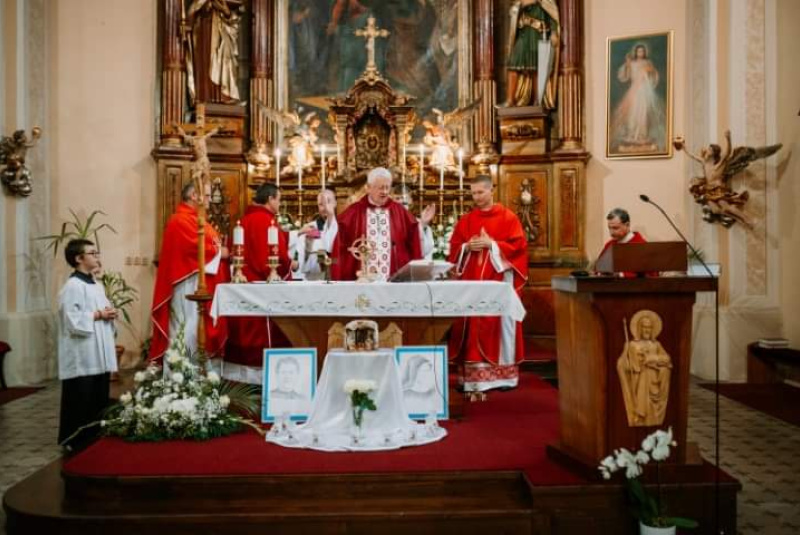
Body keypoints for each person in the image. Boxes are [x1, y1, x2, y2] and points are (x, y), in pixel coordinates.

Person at [447, 175, 528, 393]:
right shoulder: (467, 220)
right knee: (471, 325)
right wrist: (466, 247)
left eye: (480, 192)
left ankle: (502, 378)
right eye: (473, 193)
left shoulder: (508, 217)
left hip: (497, 281)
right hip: (472, 283)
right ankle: (473, 381)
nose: (476, 197)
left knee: (497, 325)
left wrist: (492, 245)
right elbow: (454, 247)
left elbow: (519, 247)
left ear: (491, 190)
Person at [150, 182, 229, 362]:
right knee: (186, 328)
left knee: (195, 328)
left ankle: (196, 376)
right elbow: (195, 247)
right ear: (194, 196)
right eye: (207, 196)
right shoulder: (180, 220)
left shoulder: (197, 219)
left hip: (199, 282)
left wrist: (218, 248)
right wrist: (220, 251)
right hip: (187, 284)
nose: (210, 200)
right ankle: (181, 377)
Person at [224, 183, 293, 383]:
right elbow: (277, 258)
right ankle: (266, 378)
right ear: (270, 199)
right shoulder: (268, 223)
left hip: (243, 286)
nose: (279, 204)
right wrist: (291, 264)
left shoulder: (243, 221)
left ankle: (239, 381)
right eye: (278, 199)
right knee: (266, 336)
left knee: (243, 333)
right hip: (264, 290)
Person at [57, 239, 117, 452]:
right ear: (78, 259)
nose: (97, 256)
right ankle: (73, 439)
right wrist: (100, 314)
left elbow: (100, 310)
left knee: (97, 395)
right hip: (82, 352)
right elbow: (72, 320)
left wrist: (109, 314)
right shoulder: (73, 286)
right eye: (92, 253)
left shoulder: (95, 284)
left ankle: (93, 437)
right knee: (80, 396)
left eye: (96, 252)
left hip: (97, 351)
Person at [332, 167, 423, 281]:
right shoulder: (354, 212)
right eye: (380, 188)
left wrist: (423, 224)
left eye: (387, 187)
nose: (384, 192)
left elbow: (414, 241)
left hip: (395, 278)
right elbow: (340, 246)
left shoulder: (399, 211)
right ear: (368, 188)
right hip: (362, 279)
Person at [617, 311, 672, 426]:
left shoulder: (656, 344)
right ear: (639, 328)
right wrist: (625, 354)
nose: (647, 330)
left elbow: (666, 358)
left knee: (652, 407)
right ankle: (639, 415)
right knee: (644, 377)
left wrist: (652, 358)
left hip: (655, 380)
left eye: (650, 327)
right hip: (640, 381)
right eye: (644, 327)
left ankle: (651, 421)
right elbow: (624, 365)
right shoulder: (633, 345)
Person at [503, 0, 560, 108]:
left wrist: (553, 32)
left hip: (538, 35)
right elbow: (513, 11)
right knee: (513, 65)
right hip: (523, 35)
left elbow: (553, 14)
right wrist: (522, 4)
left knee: (537, 69)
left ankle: (537, 101)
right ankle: (510, 100)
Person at [610, 43, 665, 152]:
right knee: (632, 112)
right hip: (634, 90)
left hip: (644, 91)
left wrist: (650, 72)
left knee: (643, 112)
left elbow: (654, 76)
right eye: (639, 51)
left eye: (642, 51)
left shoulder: (647, 63)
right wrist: (627, 64)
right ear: (635, 52)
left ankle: (641, 135)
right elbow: (625, 76)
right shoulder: (632, 63)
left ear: (645, 53)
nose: (640, 53)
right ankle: (632, 134)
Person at [298, 189, 339, 280]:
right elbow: (300, 263)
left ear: (335, 203)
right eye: (321, 204)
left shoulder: (344, 226)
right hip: (314, 281)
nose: (325, 207)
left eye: (328, 202)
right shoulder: (309, 228)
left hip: (339, 280)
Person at [597, 208, 647, 278]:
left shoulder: (640, 245)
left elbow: (646, 274)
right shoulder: (609, 245)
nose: (611, 232)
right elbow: (598, 268)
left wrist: (619, 274)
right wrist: (601, 273)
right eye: (609, 228)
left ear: (627, 225)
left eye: (615, 228)